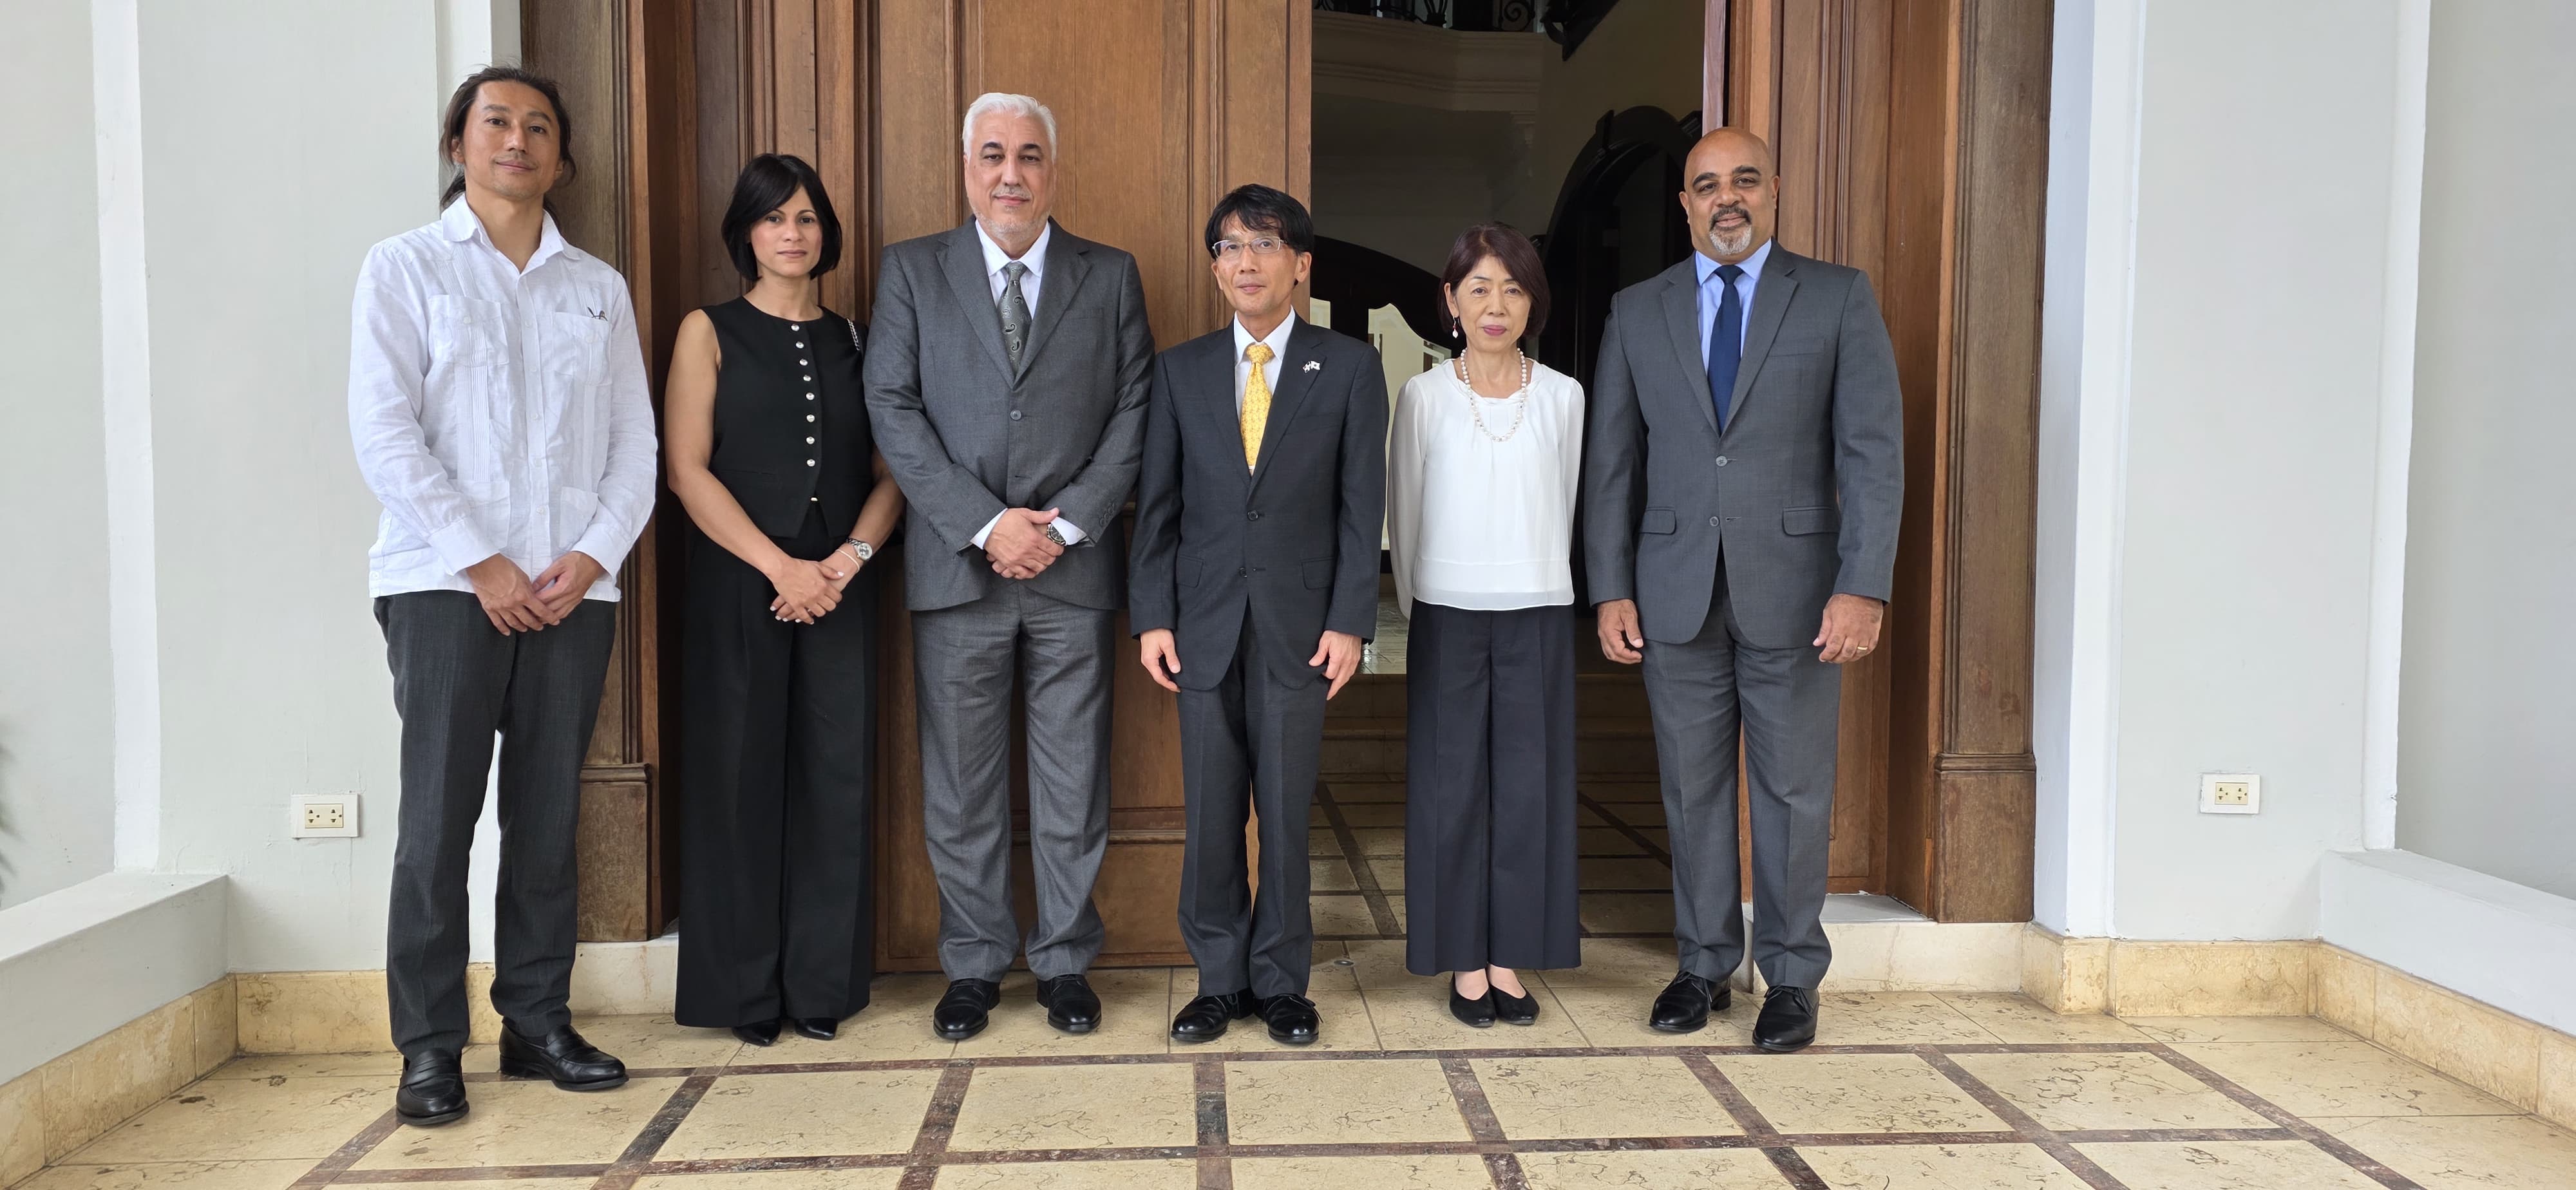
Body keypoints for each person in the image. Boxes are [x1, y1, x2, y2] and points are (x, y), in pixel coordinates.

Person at [348, 66, 657, 1126]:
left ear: (562, 159)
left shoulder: (597, 288)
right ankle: (430, 1046)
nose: (516, 140)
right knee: (438, 819)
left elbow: (633, 443)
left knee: (546, 816)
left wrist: (591, 555)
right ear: (458, 144)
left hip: (573, 591)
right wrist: (481, 559)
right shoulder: (405, 268)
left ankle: (537, 1022)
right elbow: (385, 431)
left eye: (538, 128)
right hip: (445, 586)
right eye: (495, 123)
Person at [1581, 127, 1902, 1052]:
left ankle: (1791, 975)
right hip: (1672, 589)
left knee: (1794, 790)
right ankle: (1704, 964)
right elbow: (1613, 462)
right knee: (1690, 787)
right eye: (1707, 184)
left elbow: (1871, 454)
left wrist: (1862, 585)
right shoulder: (1636, 310)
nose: (1727, 198)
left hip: (1798, 593)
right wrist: (1610, 587)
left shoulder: (1836, 297)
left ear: (1773, 191)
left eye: (1745, 180)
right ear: (1684, 204)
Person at [863, 93, 1154, 1041]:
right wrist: (988, 525)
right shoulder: (913, 270)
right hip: (959, 571)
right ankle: (974, 964)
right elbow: (892, 408)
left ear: (1052, 170)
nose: (1011, 174)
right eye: (992, 154)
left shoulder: (1110, 275)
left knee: (1073, 781)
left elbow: (1135, 411)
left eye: (1029, 155)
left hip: (1073, 572)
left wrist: (1062, 528)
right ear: (967, 168)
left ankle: (1065, 962)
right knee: (962, 784)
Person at [1131, 185, 1386, 1046]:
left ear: (1300, 265)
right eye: (1230, 247)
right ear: (1216, 269)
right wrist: (1152, 616)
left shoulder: (1347, 367)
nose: (1246, 262)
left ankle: (1280, 983)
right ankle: (1218, 981)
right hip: (1199, 625)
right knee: (1210, 816)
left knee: (1283, 813)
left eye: (1265, 245)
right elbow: (1158, 507)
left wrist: (1351, 620)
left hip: (1301, 627)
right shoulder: (1180, 370)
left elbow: (1361, 508)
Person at [665, 154, 906, 1048]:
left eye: (806, 218)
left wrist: (844, 562)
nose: (792, 234)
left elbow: (895, 472)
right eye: (774, 218)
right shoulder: (708, 330)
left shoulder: (861, 339)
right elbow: (686, 470)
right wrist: (781, 567)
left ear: (826, 233)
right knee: (739, 778)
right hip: (741, 586)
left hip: (841, 590)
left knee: (834, 779)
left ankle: (820, 986)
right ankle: (744, 992)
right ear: (746, 233)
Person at [1388, 224, 1583, 1027]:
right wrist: (1420, 604)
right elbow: (1404, 509)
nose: (1495, 305)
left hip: (1538, 611)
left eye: (1512, 288)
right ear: (1451, 301)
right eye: (1479, 289)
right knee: (1450, 792)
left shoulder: (1564, 396)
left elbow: (1565, 503)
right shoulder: (1424, 397)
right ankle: (1465, 962)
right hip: (1447, 614)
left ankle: (1510, 958)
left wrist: (1542, 578)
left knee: (1531, 792)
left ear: (1533, 302)